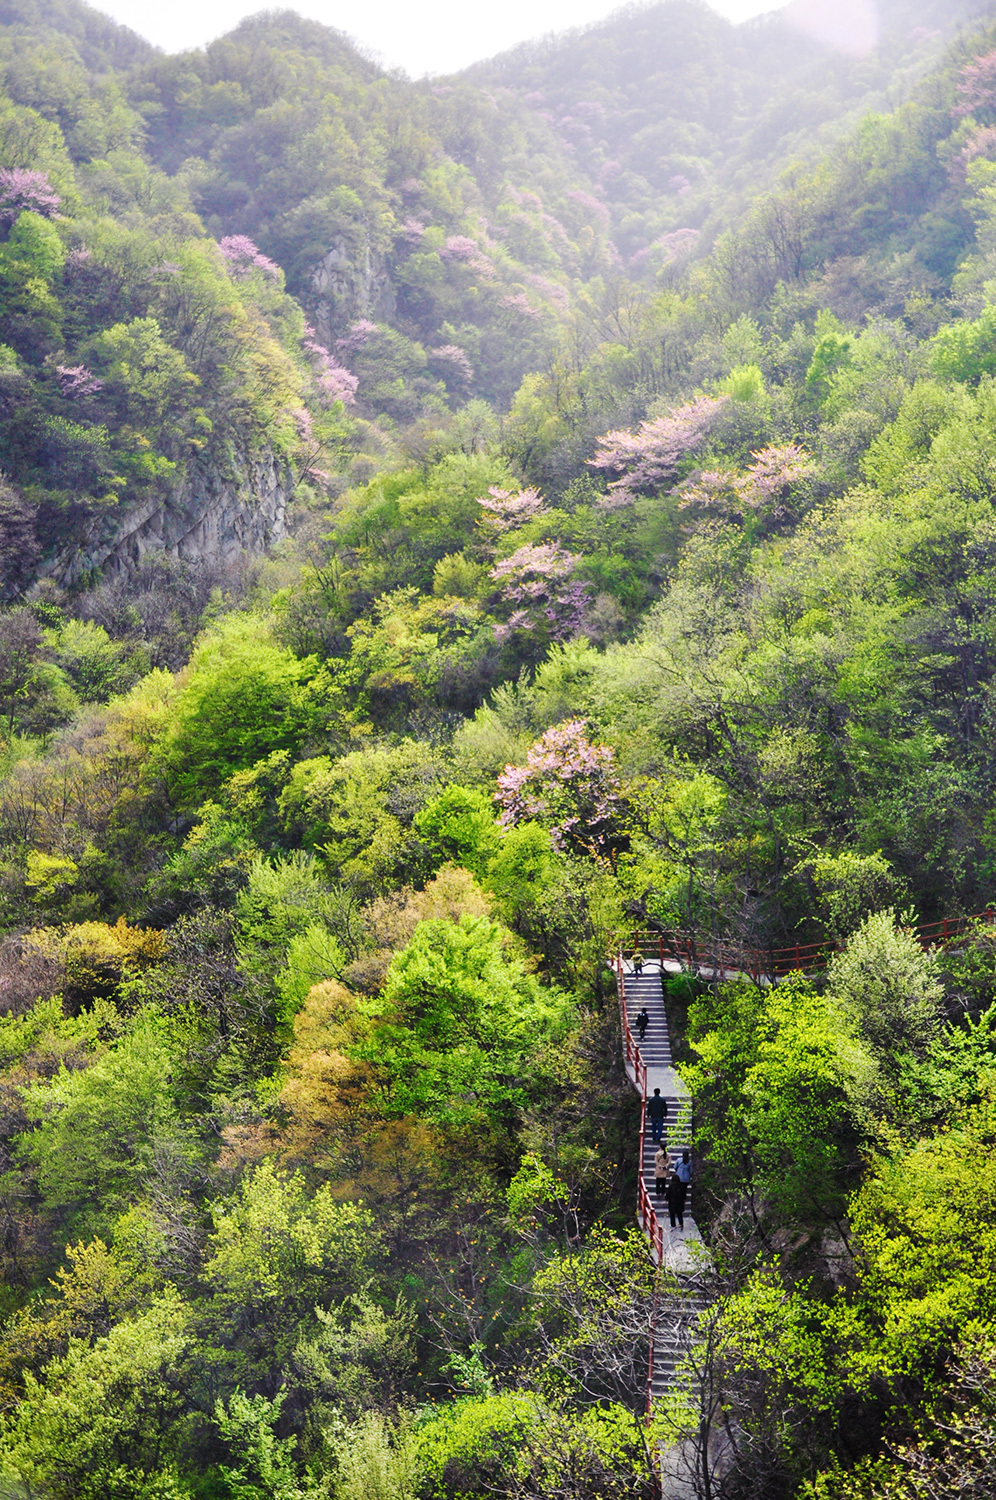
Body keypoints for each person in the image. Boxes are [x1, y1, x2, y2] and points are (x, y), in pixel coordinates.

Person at [667, 1166, 687, 1231]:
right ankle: (681, 1223)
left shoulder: (671, 1186)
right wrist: (684, 1199)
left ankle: (673, 1225)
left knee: (672, 1214)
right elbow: (684, 1194)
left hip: (672, 1202)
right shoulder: (682, 1186)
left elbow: (668, 1193)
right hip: (680, 1202)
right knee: (679, 1213)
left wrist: (666, 1198)